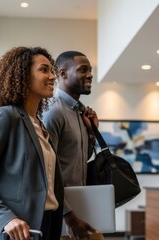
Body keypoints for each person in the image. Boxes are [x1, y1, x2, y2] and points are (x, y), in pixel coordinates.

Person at [0, 47, 64, 240]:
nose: (53, 76)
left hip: (47, 224)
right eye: (44, 70)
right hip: (15, 230)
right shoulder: (5, 116)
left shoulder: (41, 127)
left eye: (52, 71)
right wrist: (6, 219)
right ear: (23, 75)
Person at [43, 51, 100, 239]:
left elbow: (81, 158)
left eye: (90, 70)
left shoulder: (79, 112)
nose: (90, 74)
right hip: (62, 216)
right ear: (63, 74)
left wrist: (91, 134)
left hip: (80, 208)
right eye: (83, 70)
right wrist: (68, 216)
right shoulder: (54, 112)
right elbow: (46, 170)